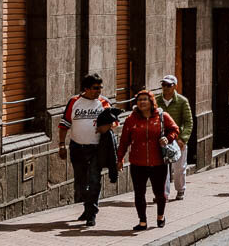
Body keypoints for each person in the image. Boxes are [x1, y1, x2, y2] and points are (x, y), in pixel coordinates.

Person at [116, 89, 180, 230]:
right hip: (137, 163)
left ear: (151, 102)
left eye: (145, 99)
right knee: (139, 193)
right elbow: (124, 141)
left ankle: (160, 216)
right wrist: (119, 158)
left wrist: (168, 138)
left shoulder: (162, 116)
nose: (142, 102)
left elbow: (175, 129)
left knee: (159, 193)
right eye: (139, 100)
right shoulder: (131, 119)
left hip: (158, 162)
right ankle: (142, 221)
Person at [58, 73, 113, 227]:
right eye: (95, 88)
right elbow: (64, 124)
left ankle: (91, 213)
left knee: (94, 180)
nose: (99, 91)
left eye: (100, 88)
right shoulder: (74, 101)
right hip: (77, 147)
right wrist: (61, 145)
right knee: (80, 183)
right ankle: (87, 207)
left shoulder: (104, 102)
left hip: (96, 148)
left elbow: (113, 123)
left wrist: (106, 126)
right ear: (86, 88)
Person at [159, 74, 194, 199]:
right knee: (162, 169)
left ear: (175, 86)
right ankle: (163, 193)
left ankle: (180, 189)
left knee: (179, 168)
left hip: (177, 139)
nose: (165, 87)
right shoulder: (156, 101)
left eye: (169, 85)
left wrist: (183, 139)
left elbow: (188, 122)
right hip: (162, 139)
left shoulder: (182, 101)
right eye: (163, 85)